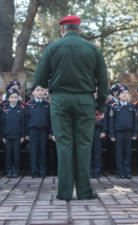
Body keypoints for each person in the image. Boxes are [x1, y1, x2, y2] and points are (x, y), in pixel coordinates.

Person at [34, 15, 108, 201]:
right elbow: (103, 81)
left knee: (64, 144)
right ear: (79, 29)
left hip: (60, 100)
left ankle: (65, 192)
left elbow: (41, 80)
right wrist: (100, 107)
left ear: (63, 30)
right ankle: (84, 191)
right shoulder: (92, 49)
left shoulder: (52, 48)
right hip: (85, 100)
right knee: (83, 144)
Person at [109, 85, 137, 179]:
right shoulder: (114, 107)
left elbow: (135, 121)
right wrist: (112, 134)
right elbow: (111, 121)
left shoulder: (132, 106)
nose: (124, 95)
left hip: (128, 133)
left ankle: (127, 171)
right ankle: (120, 171)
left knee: (127, 152)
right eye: (122, 93)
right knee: (119, 152)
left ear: (129, 95)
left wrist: (135, 133)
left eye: (126, 93)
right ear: (118, 96)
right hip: (118, 133)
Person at [25, 84, 51, 178]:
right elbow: (26, 120)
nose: (40, 92)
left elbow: (50, 119)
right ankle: (34, 171)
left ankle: (43, 171)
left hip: (44, 131)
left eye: (42, 90)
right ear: (33, 92)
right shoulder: (29, 105)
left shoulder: (47, 104)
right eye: (37, 90)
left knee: (43, 151)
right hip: (33, 131)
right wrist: (26, 133)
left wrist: (50, 132)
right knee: (34, 151)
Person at [1, 88, 25, 178]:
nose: (14, 99)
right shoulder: (4, 110)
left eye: (15, 97)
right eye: (12, 97)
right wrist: (2, 136)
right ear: (8, 99)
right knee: (8, 154)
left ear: (18, 98)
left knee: (16, 155)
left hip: (17, 136)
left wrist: (22, 136)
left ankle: (15, 170)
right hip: (7, 136)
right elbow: (2, 124)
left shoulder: (21, 110)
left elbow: (23, 124)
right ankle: (8, 170)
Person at [90, 91, 107, 178]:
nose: (95, 93)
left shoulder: (101, 104)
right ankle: (89, 171)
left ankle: (96, 171)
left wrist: (103, 131)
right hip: (88, 130)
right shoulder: (87, 102)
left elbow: (105, 118)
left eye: (97, 92)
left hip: (97, 130)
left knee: (97, 152)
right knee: (88, 152)